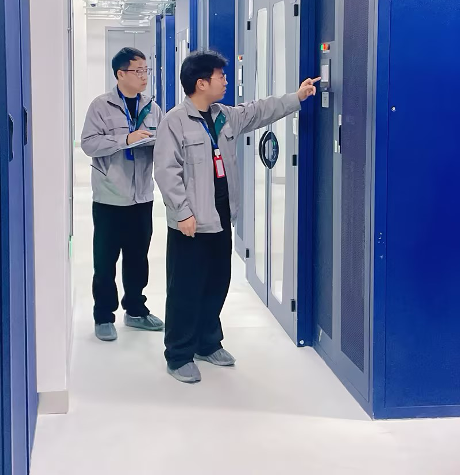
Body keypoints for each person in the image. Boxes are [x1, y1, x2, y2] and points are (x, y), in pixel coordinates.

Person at [154, 50, 318, 383]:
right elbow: (166, 172)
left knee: (217, 284)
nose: (226, 81)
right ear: (201, 83)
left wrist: (297, 97)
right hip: (190, 224)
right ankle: (179, 354)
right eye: (221, 76)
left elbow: (258, 111)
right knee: (185, 289)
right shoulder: (175, 122)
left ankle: (207, 343)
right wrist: (182, 213)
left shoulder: (223, 116)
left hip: (220, 219)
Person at [81, 47, 165, 342]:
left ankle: (136, 311)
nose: (144, 77)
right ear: (120, 74)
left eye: (146, 70)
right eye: (138, 71)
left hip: (142, 197)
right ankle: (104, 315)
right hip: (109, 197)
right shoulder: (100, 106)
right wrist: (125, 139)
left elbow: (163, 142)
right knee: (105, 262)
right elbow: (89, 144)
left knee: (138, 258)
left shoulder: (153, 108)